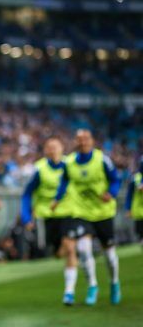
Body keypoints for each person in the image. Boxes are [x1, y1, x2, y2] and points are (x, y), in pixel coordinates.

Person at [52, 129, 121, 305]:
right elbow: (64, 182)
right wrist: (57, 199)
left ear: (92, 141)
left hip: (103, 212)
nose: (82, 142)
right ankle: (92, 285)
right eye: (79, 139)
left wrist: (111, 193)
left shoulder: (102, 159)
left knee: (110, 255)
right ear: (75, 141)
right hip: (81, 212)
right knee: (83, 249)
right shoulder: (69, 162)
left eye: (86, 139)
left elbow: (116, 179)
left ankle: (114, 282)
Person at [21, 137, 79, 305]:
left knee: (69, 248)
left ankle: (69, 292)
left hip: (70, 212)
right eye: (49, 147)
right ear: (45, 150)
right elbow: (27, 194)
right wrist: (27, 217)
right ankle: (69, 255)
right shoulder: (39, 169)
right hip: (48, 216)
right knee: (57, 253)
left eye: (56, 147)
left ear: (62, 148)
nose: (53, 150)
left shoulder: (70, 165)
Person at [125, 156, 143, 246]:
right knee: (141, 237)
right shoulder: (135, 178)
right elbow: (129, 195)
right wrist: (128, 209)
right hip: (139, 212)